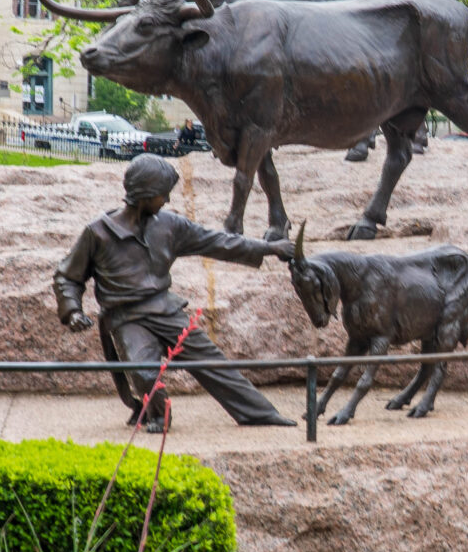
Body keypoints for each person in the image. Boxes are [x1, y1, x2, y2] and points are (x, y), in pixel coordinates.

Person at [53, 155, 298, 431]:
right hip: (126, 318)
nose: (167, 200)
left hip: (166, 310)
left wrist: (269, 248)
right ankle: (159, 415)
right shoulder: (97, 233)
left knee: (213, 362)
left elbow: (218, 241)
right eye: (163, 194)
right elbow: (67, 276)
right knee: (144, 374)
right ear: (145, 195)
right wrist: (72, 311)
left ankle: (260, 414)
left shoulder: (169, 225)